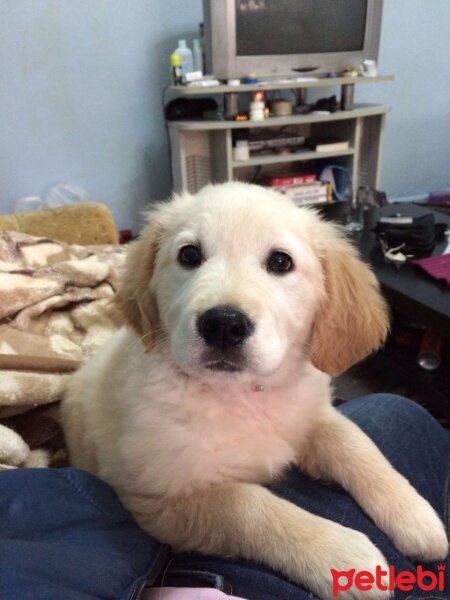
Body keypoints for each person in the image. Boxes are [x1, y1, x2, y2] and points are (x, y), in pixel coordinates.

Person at [1, 394, 448, 600]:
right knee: (394, 414)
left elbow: (314, 418)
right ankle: (426, 583)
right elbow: (159, 502)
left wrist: (388, 491)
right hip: (164, 574)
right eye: (191, 256)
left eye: (278, 262)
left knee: (392, 412)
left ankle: (428, 582)